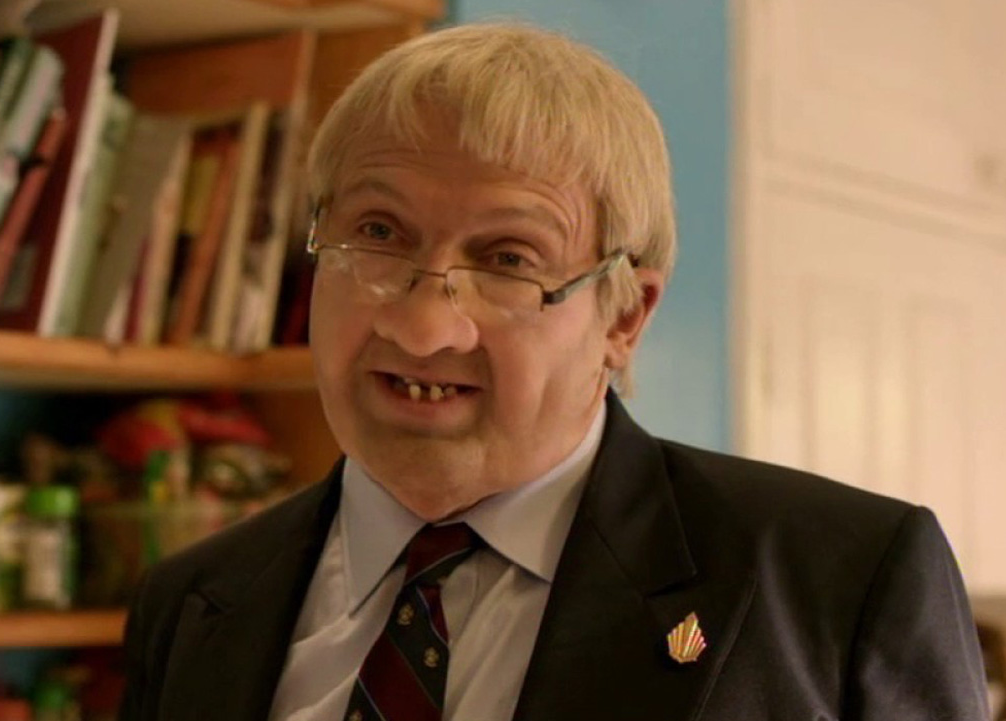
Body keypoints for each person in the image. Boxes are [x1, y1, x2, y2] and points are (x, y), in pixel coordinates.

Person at [118, 21, 989, 721]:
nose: (423, 327)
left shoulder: (840, 583)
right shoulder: (192, 599)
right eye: (378, 235)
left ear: (624, 315)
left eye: (508, 259)